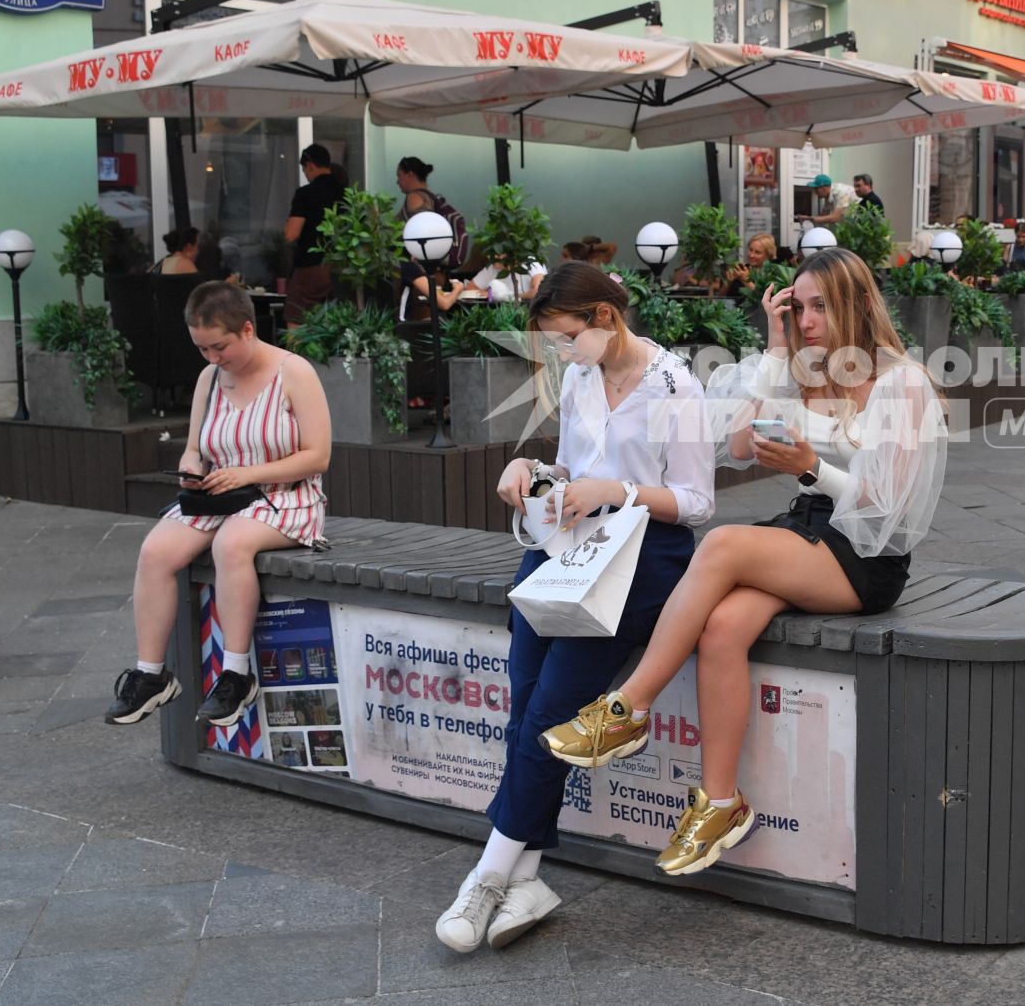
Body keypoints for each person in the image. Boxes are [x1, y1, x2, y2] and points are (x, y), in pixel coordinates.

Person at [537, 247, 947, 877]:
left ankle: (627, 709)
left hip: (866, 554)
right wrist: (776, 353)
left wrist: (810, 467)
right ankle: (720, 802)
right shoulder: (802, 368)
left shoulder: (902, 381)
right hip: (806, 535)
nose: (808, 320)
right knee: (723, 629)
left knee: (724, 543)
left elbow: (886, 508)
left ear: (861, 304)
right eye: (798, 306)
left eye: (820, 307)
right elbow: (732, 445)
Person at [435, 262, 712, 952]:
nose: (560, 352)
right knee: (527, 707)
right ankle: (527, 872)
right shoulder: (584, 376)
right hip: (567, 547)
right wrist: (530, 470)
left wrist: (614, 489)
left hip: (641, 560)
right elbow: (571, 466)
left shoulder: (677, 384)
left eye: (565, 337)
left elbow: (699, 503)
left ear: (604, 319)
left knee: (550, 712)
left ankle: (489, 874)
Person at [105, 283, 330, 727]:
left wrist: (248, 473)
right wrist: (191, 469)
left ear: (248, 329)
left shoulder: (294, 372)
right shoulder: (209, 378)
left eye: (219, 347)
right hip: (222, 496)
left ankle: (236, 673)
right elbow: (193, 448)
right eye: (202, 348)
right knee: (154, 551)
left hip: (285, 497)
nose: (211, 358)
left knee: (231, 544)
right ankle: (152, 675)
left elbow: (318, 456)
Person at [283, 144, 344, 325]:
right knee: (332, 320)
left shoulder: (305, 194)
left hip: (310, 267)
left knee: (295, 316)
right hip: (341, 268)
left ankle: (294, 354)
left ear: (310, 165)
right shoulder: (346, 193)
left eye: (304, 169)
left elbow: (291, 234)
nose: (306, 174)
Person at [396, 156, 470, 270]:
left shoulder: (414, 197)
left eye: (399, 175)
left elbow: (420, 232)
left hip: (420, 270)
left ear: (410, 175)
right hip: (432, 268)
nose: (397, 181)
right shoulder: (431, 198)